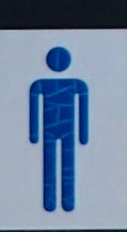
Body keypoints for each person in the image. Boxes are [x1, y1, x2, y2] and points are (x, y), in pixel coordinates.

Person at [27, 47, 90, 214]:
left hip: (61, 130)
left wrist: (84, 133)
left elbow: (83, 109)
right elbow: (34, 109)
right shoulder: (43, 85)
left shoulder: (74, 85)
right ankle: (52, 201)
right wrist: (33, 133)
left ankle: (65, 201)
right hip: (57, 130)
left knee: (63, 164)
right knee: (54, 163)